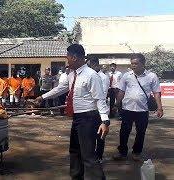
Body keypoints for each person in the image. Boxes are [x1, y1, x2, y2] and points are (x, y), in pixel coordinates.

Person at [35, 44, 109, 180]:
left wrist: (105, 121)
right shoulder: (72, 75)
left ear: (74, 58)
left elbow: (100, 99)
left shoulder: (91, 75)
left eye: (67, 57)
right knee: (75, 151)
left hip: (89, 118)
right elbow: (60, 89)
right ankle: (76, 177)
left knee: (88, 155)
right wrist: (42, 97)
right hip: (77, 118)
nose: (67, 60)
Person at [113, 54, 163, 161]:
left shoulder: (152, 76)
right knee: (124, 131)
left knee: (141, 132)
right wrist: (117, 104)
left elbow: (156, 93)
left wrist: (159, 108)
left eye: (136, 63)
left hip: (143, 110)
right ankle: (122, 152)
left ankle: (137, 152)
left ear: (143, 64)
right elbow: (121, 91)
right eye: (132, 63)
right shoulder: (126, 75)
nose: (133, 66)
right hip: (127, 109)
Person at [89, 57, 110, 162]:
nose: (90, 67)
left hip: (100, 109)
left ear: (96, 64)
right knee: (92, 133)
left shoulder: (103, 77)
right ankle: (92, 154)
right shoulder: (92, 76)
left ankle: (99, 155)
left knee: (100, 134)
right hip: (91, 109)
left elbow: (103, 95)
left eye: (91, 65)